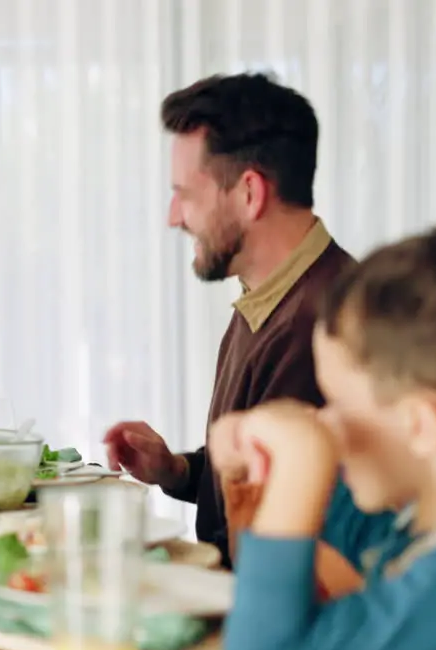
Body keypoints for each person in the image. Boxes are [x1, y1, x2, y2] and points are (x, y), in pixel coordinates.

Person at [208, 227, 436, 650]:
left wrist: (304, 462)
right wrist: (258, 462)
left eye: (340, 405)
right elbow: (339, 520)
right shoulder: (414, 527)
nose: (326, 423)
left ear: (421, 426)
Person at [102, 73, 355, 565]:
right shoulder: (270, 300)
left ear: (249, 194)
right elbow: (255, 479)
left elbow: (279, 528)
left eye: (186, 195)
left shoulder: (329, 327)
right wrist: (176, 470)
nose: (174, 217)